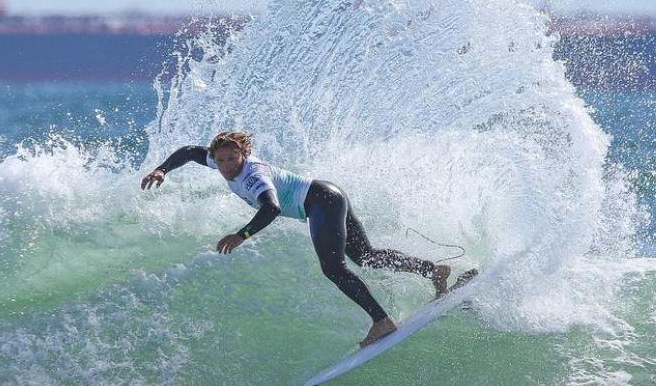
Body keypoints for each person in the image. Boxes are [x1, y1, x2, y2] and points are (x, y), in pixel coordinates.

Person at [140, 131, 455, 348]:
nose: (226, 167)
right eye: (220, 160)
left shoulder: (253, 176)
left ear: (243, 154)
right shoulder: (219, 161)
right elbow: (191, 152)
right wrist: (162, 169)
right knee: (366, 257)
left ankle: (381, 321)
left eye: (232, 159)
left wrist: (242, 235)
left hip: (322, 202)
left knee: (333, 267)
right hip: (328, 195)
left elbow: (272, 208)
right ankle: (432, 270)